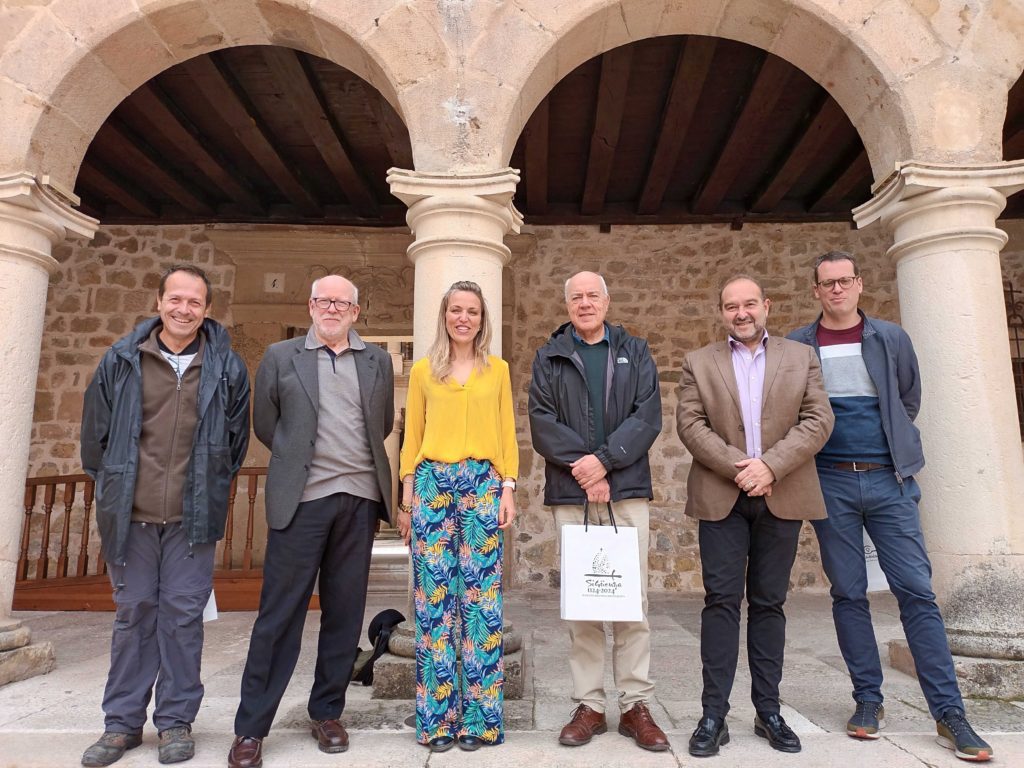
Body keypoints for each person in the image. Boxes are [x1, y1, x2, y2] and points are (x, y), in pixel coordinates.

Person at [788, 251, 994, 762]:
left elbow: (907, 401)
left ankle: (950, 713)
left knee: (917, 594)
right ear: (816, 291)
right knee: (849, 595)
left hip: (890, 482)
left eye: (845, 280)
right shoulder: (798, 345)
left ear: (859, 285)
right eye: (827, 283)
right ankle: (867, 702)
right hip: (830, 483)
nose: (837, 289)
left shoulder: (892, 338)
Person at [80, 265, 250, 767]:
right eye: (175, 299)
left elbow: (234, 443)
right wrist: (114, 486)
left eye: (194, 302)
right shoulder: (121, 360)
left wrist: (210, 488)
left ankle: (176, 721)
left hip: (191, 521)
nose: (183, 309)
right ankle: (122, 724)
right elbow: (96, 439)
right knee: (134, 615)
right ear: (158, 302)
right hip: (130, 516)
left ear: (207, 309)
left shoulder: (227, 367)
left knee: (182, 618)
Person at [228, 275, 394, 768]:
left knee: (344, 615)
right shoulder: (281, 356)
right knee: (279, 617)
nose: (332, 308)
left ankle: (327, 712)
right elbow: (266, 424)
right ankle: (251, 728)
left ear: (356, 312)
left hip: (360, 500)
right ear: (310, 305)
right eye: (324, 300)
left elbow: (380, 423)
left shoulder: (378, 361)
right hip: (300, 501)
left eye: (342, 302)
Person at [676, 274, 833, 757]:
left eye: (749, 304)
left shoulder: (800, 356)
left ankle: (769, 711)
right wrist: (739, 468)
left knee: (769, 604)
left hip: (781, 492)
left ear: (766, 306)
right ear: (721, 312)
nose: (741, 313)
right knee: (720, 603)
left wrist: (771, 466)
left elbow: (818, 418)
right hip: (722, 494)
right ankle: (713, 715)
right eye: (730, 306)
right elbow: (689, 423)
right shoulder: (698, 362)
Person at [528, 271, 669, 752]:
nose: (585, 303)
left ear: (607, 301)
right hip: (571, 495)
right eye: (576, 297)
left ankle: (635, 706)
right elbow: (542, 423)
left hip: (626, 489)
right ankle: (589, 704)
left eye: (593, 295)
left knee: (633, 600)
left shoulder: (637, 350)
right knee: (583, 602)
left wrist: (605, 463)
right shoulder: (549, 357)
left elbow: (648, 415)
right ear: (566, 305)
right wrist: (588, 471)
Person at [396, 280, 518, 753]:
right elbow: (412, 437)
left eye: (471, 311)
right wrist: (407, 500)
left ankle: (481, 721)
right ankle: (437, 721)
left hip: (484, 486)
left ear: (482, 318)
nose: (463, 318)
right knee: (433, 604)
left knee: (482, 604)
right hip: (431, 484)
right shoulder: (425, 371)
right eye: (455, 310)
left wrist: (508, 486)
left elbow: (507, 431)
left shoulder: (499, 370)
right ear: (444, 316)